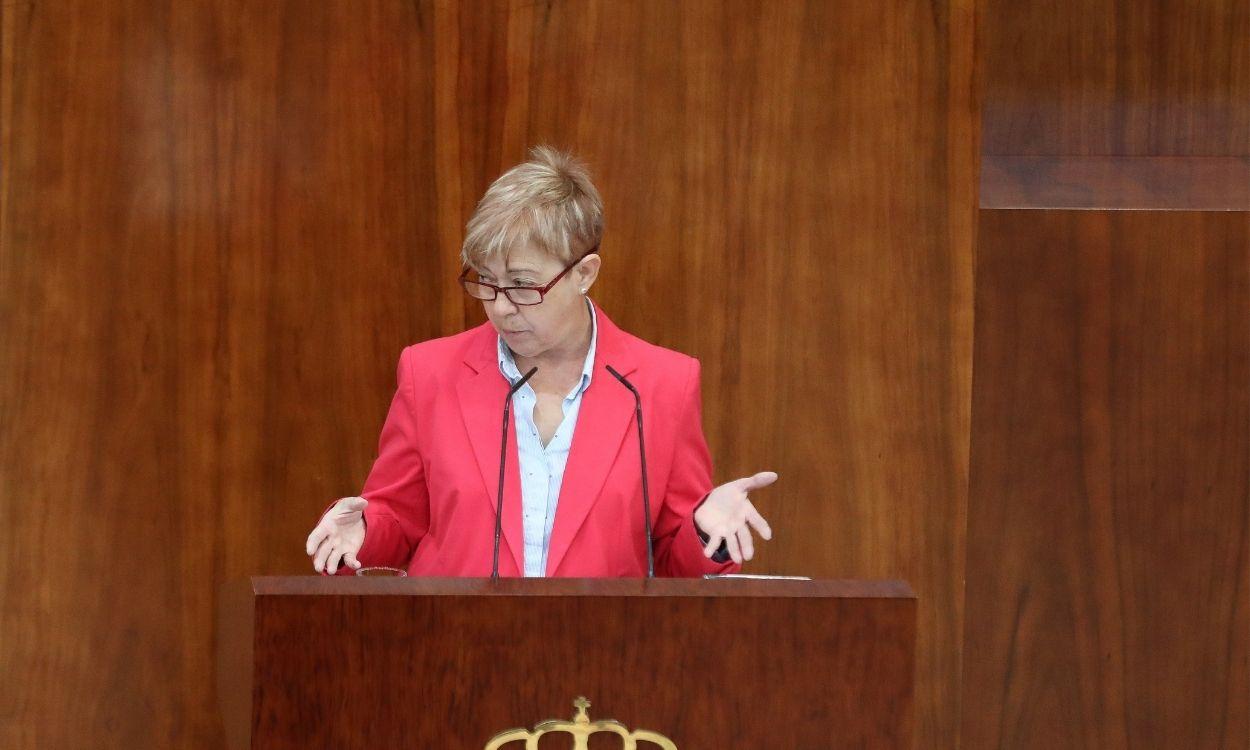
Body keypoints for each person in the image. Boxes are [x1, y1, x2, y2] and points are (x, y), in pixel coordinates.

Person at [305, 146, 776, 577]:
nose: (501, 306)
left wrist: (704, 534)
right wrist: (362, 535)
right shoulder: (428, 373)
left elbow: (673, 562)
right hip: (454, 651)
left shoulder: (661, 385)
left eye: (523, 285)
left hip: (603, 656)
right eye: (485, 281)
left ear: (584, 273)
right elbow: (399, 520)